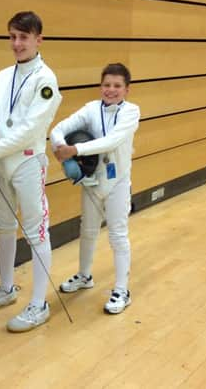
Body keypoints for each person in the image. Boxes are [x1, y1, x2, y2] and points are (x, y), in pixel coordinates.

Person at [0, 11, 62, 332]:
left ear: (38, 39)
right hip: (1, 166)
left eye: (23, 37)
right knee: (4, 226)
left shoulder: (45, 80)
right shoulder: (4, 75)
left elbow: (29, 129)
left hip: (28, 164)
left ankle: (39, 303)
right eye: (13, 37)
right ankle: (6, 288)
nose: (17, 43)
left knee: (36, 232)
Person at [50, 63, 140, 314]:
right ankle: (84, 276)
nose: (111, 90)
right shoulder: (91, 109)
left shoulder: (131, 112)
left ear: (126, 89)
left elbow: (112, 140)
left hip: (118, 183)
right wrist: (62, 152)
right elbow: (58, 130)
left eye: (117, 86)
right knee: (87, 231)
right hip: (92, 183)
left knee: (117, 236)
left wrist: (75, 150)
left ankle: (122, 289)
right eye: (107, 85)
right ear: (101, 86)